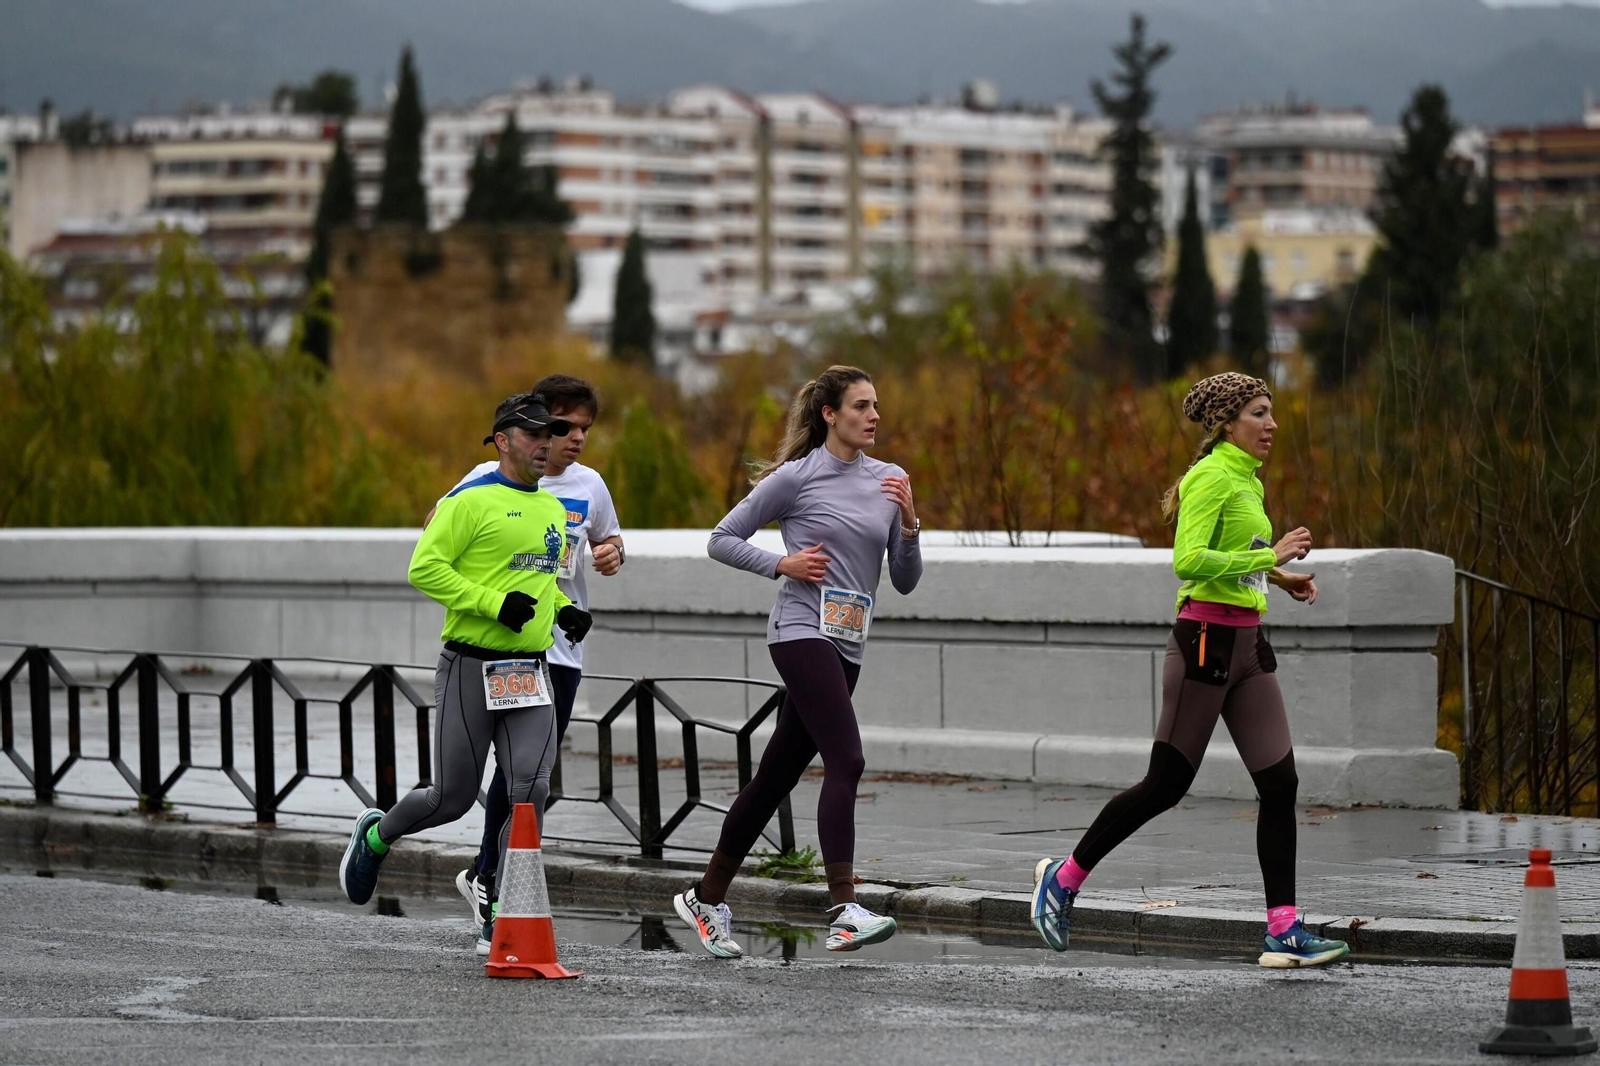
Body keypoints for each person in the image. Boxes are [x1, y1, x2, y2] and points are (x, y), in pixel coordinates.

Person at [1030, 371, 1350, 969]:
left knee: (1280, 784)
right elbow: (1188, 561)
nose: (1272, 424)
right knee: (1166, 785)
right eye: (1259, 413)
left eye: (1272, 413)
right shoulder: (1210, 475)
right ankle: (1064, 879)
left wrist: (1279, 578)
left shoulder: (1248, 481)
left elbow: (1232, 559)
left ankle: (1283, 931)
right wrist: (1271, 553)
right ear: (1228, 423)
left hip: (1249, 647)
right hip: (1205, 643)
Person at [671, 365, 923, 958]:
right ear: (830, 414)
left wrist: (910, 523)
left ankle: (705, 897)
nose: (874, 415)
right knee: (848, 758)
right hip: (799, 631)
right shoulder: (796, 478)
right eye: (861, 405)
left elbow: (906, 582)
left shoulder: (891, 482)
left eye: (876, 405)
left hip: (848, 641)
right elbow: (721, 538)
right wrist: (780, 565)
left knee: (774, 778)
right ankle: (842, 908)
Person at [339, 393, 594, 940]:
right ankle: (377, 835)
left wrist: (564, 610)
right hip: (469, 668)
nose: (545, 445)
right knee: (451, 799)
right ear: (502, 441)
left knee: (530, 790)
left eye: (549, 435)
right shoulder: (470, 501)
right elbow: (424, 568)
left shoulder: (551, 508)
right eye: (532, 436)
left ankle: (500, 908)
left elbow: (539, 582)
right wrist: (491, 604)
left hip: (528, 671)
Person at [438, 376, 625, 954]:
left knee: (528, 779)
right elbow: (438, 544)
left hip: (560, 652)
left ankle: (488, 876)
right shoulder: (483, 481)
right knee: (508, 779)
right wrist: (496, 598)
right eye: (565, 427)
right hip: (501, 650)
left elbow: (611, 541)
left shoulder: (589, 485)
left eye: (585, 430)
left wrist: (610, 553)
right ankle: (493, 883)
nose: (574, 440)